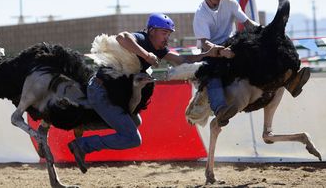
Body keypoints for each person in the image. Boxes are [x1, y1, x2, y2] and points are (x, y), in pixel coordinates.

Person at [68, 13, 226, 172]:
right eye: (164, 33)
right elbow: (122, 37)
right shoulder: (141, 39)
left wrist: (207, 54)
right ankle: (82, 145)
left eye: (169, 34)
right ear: (152, 31)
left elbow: (182, 60)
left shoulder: (159, 49)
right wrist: (146, 55)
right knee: (132, 138)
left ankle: (85, 125)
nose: (167, 38)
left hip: (110, 93)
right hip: (101, 92)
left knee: (135, 122)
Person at [193, 0, 310, 120]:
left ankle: (290, 82)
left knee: (259, 50)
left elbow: (247, 23)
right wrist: (220, 51)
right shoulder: (201, 14)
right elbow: (204, 42)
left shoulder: (229, 3)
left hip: (231, 45)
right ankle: (220, 109)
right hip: (211, 51)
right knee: (211, 72)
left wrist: (265, 33)